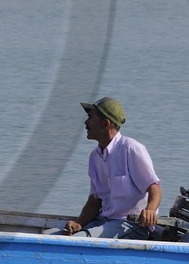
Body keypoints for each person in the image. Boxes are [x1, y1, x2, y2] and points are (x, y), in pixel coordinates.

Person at [62, 97, 161, 238]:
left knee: (78, 240)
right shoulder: (95, 156)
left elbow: (154, 188)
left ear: (105, 124)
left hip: (130, 225)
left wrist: (150, 210)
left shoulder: (131, 149)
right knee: (51, 235)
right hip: (104, 221)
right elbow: (95, 201)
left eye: (90, 117)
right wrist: (79, 224)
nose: (86, 123)